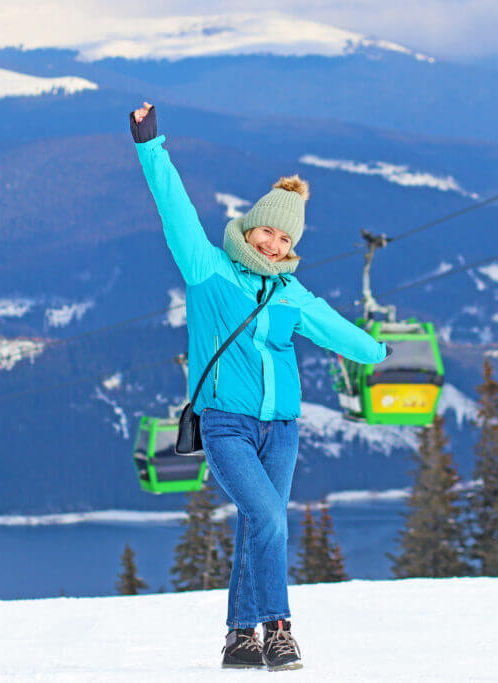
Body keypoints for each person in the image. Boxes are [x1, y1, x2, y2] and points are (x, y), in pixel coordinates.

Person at [130, 101, 386, 672]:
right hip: (225, 425)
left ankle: (238, 638)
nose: (272, 244)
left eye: (283, 238)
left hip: (282, 431)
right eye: (266, 230)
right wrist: (150, 145)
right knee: (270, 519)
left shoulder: (292, 294)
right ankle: (279, 630)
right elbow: (176, 211)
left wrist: (378, 352)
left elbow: (337, 331)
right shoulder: (208, 270)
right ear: (249, 225)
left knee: (259, 523)